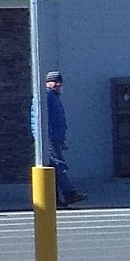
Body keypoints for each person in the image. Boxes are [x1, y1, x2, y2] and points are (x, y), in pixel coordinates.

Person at [43, 70, 82, 205]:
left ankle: (57, 200)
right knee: (58, 166)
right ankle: (68, 193)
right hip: (50, 139)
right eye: (54, 81)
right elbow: (43, 119)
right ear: (47, 83)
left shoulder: (53, 97)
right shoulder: (47, 96)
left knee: (54, 168)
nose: (58, 84)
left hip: (55, 139)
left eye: (59, 81)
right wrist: (48, 138)